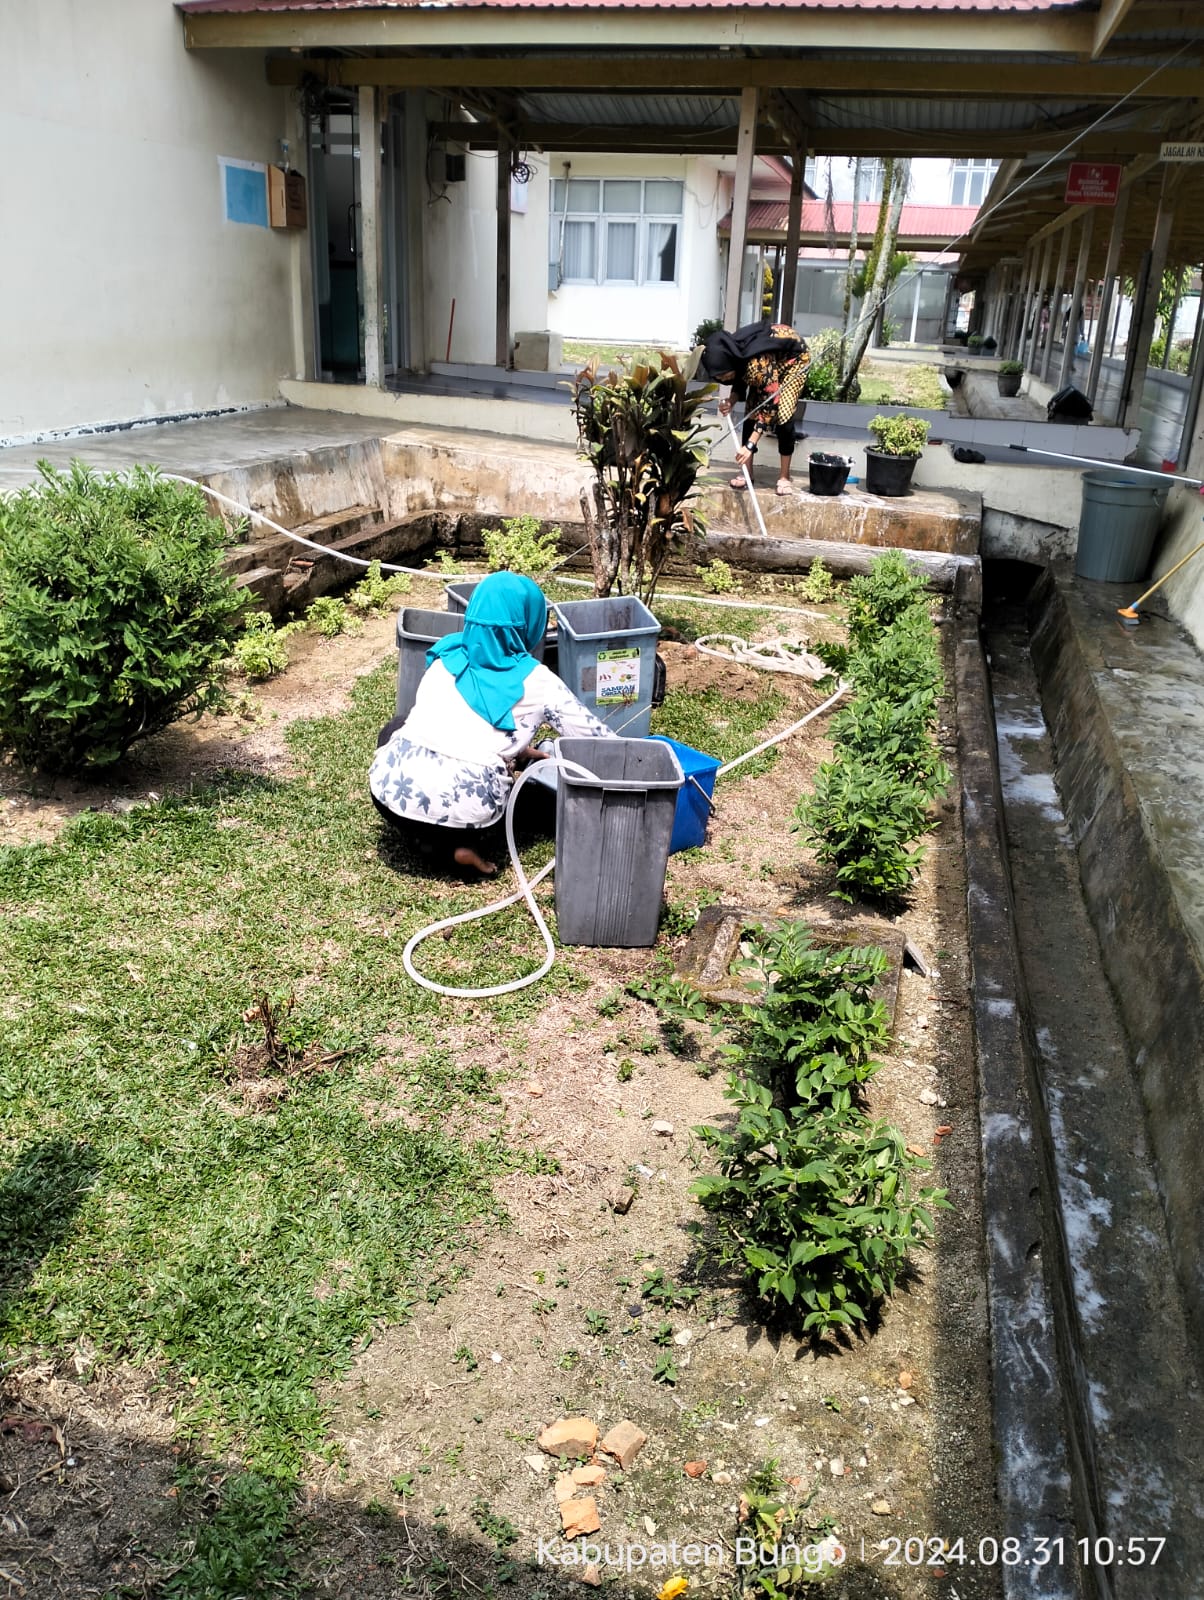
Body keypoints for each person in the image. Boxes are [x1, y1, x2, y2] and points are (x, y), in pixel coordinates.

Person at [369, 572, 615, 875]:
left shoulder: (446, 655)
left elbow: (458, 726)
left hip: (387, 793)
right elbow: (598, 741)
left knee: (397, 726)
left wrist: (520, 752)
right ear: (529, 624)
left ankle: (427, 841)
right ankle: (459, 844)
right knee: (534, 798)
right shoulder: (538, 681)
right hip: (470, 812)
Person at [699, 321, 810, 496]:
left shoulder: (756, 364)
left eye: (724, 375)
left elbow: (770, 405)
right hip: (768, 363)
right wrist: (731, 401)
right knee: (751, 411)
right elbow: (739, 380)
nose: (723, 379)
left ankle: (784, 476)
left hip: (793, 360)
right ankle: (747, 472)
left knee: (784, 414)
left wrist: (750, 444)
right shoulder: (735, 354)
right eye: (719, 377)